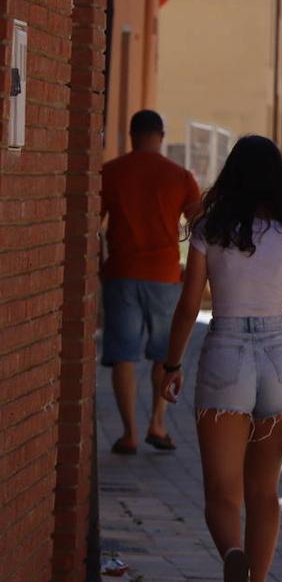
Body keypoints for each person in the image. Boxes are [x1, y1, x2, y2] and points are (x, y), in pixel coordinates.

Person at [160, 134, 282, 582]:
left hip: (226, 354)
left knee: (221, 494)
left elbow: (189, 306)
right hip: (280, 358)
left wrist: (171, 364)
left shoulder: (211, 229)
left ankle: (233, 557)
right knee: (264, 491)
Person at [101, 109, 200, 454]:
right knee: (164, 354)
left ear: (132, 135)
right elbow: (200, 224)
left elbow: (91, 221)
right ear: (160, 136)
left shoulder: (111, 173)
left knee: (123, 355)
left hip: (122, 273)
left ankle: (129, 433)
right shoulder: (180, 176)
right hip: (164, 275)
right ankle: (157, 424)